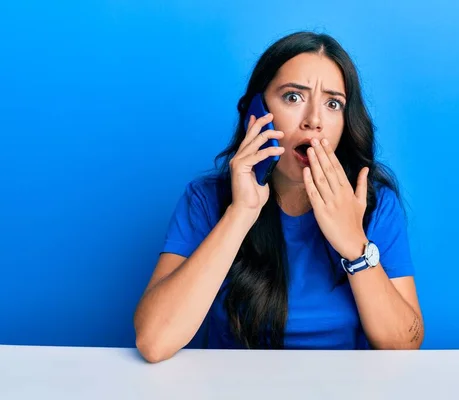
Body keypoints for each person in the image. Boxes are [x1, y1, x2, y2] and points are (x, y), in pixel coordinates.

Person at [133, 31, 424, 362]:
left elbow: (406, 344)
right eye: (293, 98)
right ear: (255, 113)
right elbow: (154, 341)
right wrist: (240, 213)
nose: (314, 120)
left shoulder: (374, 204)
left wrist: (354, 244)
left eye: (333, 104)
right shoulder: (205, 201)